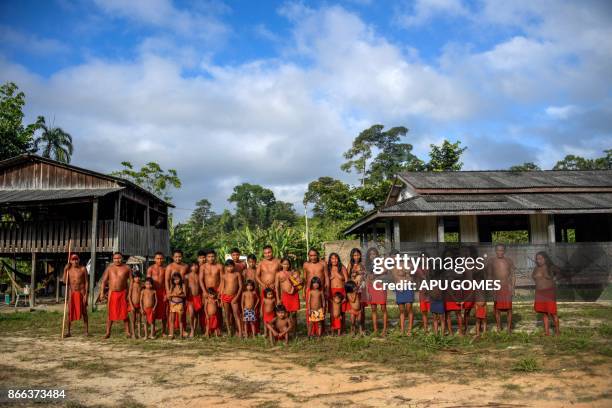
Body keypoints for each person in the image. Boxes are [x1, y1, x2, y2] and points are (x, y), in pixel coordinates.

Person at [99, 252, 131, 338]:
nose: (117, 260)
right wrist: (102, 293)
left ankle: (128, 332)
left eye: (119, 258)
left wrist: (130, 293)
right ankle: (108, 332)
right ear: (113, 259)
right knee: (110, 313)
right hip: (112, 293)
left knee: (125, 313)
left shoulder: (127, 268)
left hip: (123, 292)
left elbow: (131, 281)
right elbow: (104, 281)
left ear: (122, 258)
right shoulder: (109, 268)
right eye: (115, 258)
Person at [487, 244, 516, 334]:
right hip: (496, 287)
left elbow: (513, 275)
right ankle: (499, 326)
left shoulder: (509, 261)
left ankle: (508, 328)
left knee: (509, 308)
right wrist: (491, 287)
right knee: (497, 308)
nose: (500, 252)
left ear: (505, 251)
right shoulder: (491, 261)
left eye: (502, 250)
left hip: (507, 287)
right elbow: (489, 275)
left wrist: (513, 287)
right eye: (498, 250)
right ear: (495, 251)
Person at [532, 251, 560, 336]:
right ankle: (547, 332)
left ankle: (557, 332)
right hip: (539, 293)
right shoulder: (536, 268)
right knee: (544, 313)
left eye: (541, 258)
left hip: (549, 292)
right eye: (537, 259)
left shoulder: (551, 267)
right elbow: (534, 277)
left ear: (546, 259)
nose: (539, 260)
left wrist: (555, 280)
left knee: (553, 313)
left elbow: (560, 272)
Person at [63, 254, 89, 337]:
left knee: (84, 312)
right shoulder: (68, 270)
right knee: (69, 312)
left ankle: (86, 331)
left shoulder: (83, 269)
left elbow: (86, 282)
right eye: (73, 259)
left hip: (82, 292)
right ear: (70, 261)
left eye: (76, 259)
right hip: (72, 293)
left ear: (79, 260)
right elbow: (64, 282)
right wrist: (65, 270)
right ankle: (68, 332)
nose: (75, 261)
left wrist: (86, 295)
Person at [303, 248, 328, 332]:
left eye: (314, 255)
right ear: (308, 256)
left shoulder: (323, 263)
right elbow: (305, 279)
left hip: (320, 289)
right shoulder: (306, 265)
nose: (313, 257)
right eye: (311, 255)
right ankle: (311, 331)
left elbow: (326, 277)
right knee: (310, 309)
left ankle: (320, 330)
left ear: (317, 255)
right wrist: (304, 291)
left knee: (320, 308)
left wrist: (326, 289)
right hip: (309, 290)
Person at [365, 247, 388, 336]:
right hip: (371, 287)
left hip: (380, 286)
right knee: (373, 309)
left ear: (377, 255)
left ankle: (384, 330)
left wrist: (376, 274)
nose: (372, 256)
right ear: (368, 256)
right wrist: (367, 291)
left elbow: (386, 270)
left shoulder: (381, 262)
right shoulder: (367, 265)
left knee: (383, 308)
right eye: (370, 254)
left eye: (374, 254)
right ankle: (375, 330)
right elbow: (367, 278)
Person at [276, 258, 302, 336]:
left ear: (289, 265)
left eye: (287, 264)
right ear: (281, 264)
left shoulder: (292, 273)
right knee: (286, 313)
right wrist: (278, 298)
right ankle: (286, 332)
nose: (286, 266)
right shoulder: (278, 274)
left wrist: (300, 280)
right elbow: (277, 287)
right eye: (284, 264)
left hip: (294, 294)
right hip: (285, 295)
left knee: (294, 314)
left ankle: (294, 331)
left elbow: (299, 282)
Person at [391, 250, 414, 336]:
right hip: (399, 289)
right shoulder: (391, 267)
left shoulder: (406, 263)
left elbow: (411, 273)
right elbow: (393, 279)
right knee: (401, 310)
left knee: (409, 308)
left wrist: (406, 272)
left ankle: (410, 330)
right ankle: (402, 330)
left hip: (407, 287)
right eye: (392, 257)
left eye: (396, 256)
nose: (394, 258)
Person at [219, 259, 243, 337]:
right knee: (227, 314)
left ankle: (240, 331)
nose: (230, 268)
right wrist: (221, 299)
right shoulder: (224, 276)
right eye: (228, 267)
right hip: (225, 296)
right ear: (225, 267)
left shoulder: (237, 274)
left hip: (234, 297)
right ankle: (229, 331)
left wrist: (236, 297)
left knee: (236, 314)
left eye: (231, 266)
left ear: (234, 266)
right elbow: (222, 287)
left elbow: (240, 286)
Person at [146, 252, 167, 336]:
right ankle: (153, 329)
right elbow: (148, 281)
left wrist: (167, 293)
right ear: (154, 259)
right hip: (153, 291)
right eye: (157, 258)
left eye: (161, 258)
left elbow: (167, 281)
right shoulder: (150, 269)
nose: (159, 260)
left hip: (162, 291)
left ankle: (164, 331)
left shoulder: (165, 269)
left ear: (163, 259)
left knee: (164, 312)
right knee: (153, 311)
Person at [328, 253, 348, 329]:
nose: (334, 260)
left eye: (336, 258)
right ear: (330, 260)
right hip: (332, 291)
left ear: (338, 259)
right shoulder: (328, 268)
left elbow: (346, 280)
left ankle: (342, 327)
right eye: (332, 258)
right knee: (332, 310)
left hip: (341, 290)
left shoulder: (342, 267)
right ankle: (333, 327)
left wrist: (346, 293)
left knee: (342, 310)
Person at [347, 248, 366, 330]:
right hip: (353, 289)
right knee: (354, 307)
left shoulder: (362, 264)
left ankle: (362, 327)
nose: (356, 257)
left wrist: (359, 273)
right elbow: (347, 276)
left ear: (360, 255)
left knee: (362, 308)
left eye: (358, 255)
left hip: (361, 288)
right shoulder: (350, 265)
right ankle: (353, 328)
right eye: (354, 255)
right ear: (352, 256)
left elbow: (366, 274)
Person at [185, 263, 203, 337]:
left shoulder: (200, 276)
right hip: (190, 298)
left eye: (196, 265)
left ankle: (194, 330)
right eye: (192, 266)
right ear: (190, 267)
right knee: (191, 314)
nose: (195, 267)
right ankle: (192, 329)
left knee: (196, 315)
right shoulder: (187, 276)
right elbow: (185, 287)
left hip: (198, 297)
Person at [168, 272, 186, 339]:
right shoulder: (172, 286)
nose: (176, 281)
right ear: (173, 280)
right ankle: (172, 334)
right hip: (173, 304)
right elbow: (169, 295)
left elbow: (184, 295)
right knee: (172, 320)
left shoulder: (182, 285)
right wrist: (173, 296)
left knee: (180, 320)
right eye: (175, 279)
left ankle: (181, 334)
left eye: (177, 279)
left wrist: (177, 295)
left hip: (180, 304)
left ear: (180, 279)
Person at [128, 271, 143, 339]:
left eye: (139, 277)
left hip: (139, 305)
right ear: (133, 278)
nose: (138, 278)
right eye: (136, 277)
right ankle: (133, 334)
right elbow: (129, 296)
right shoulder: (132, 285)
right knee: (133, 320)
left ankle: (139, 334)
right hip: (132, 304)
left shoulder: (141, 285)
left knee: (139, 320)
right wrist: (131, 305)